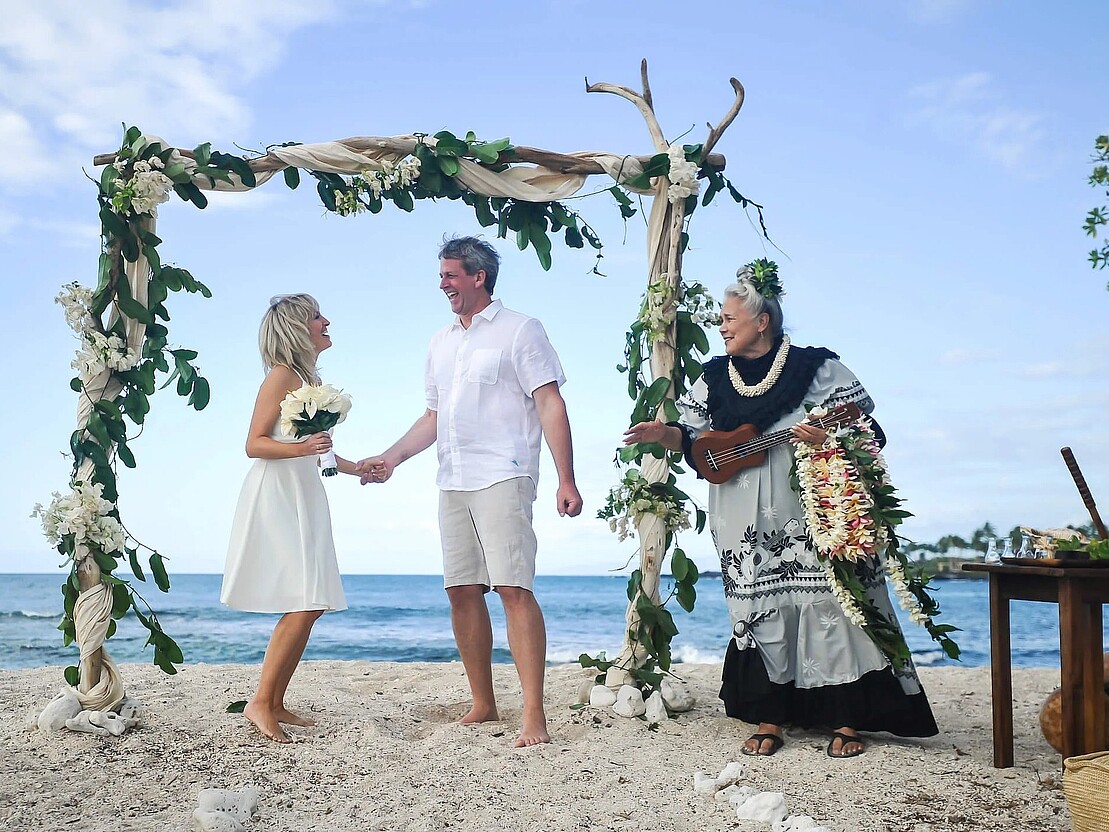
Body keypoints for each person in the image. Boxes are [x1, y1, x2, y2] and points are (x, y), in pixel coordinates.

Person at [623, 265, 938, 758]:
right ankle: (771, 715)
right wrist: (659, 434)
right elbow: (691, 435)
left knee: (831, 601)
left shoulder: (814, 368)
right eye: (720, 320)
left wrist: (828, 436)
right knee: (760, 606)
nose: (722, 327)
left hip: (808, 507)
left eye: (729, 318)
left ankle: (847, 717)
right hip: (740, 514)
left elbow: (868, 432)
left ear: (762, 320)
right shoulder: (713, 375)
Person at [359, 236, 583, 747]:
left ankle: (533, 715)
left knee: (513, 588)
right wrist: (391, 458)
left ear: (478, 277)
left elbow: (550, 403)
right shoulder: (440, 342)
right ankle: (483, 703)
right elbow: (433, 417)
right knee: (461, 591)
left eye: (450, 276)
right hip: (452, 478)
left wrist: (566, 477)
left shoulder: (521, 330)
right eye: (441, 276)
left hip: (504, 473)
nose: (442, 285)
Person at [221, 293, 360, 743]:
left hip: (304, 490)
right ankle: (259, 703)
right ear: (297, 328)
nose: (327, 321)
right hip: (278, 494)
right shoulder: (281, 376)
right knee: (304, 598)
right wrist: (303, 449)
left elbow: (317, 450)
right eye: (317, 316)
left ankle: (276, 702)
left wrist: (359, 468)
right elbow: (254, 444)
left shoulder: (305, 378)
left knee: (312, 599)